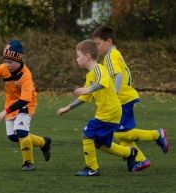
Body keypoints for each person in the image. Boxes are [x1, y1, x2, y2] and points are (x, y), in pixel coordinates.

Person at [91, 25, 169, 171]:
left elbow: (118, 75)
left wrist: (114, 95)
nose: (96, 47)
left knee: (122, 133)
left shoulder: (110, 56)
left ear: (108, 41)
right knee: (121, 135)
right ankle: (140, 159)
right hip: (125, 97)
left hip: (122, 99)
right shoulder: (115, 53)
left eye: (98, 43)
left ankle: (157, 134)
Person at [57, 39, 138, 176]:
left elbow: (102, 83)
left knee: (87, 133)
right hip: (107, 112)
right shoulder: (90, 75)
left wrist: (88, 89)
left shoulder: (99, 69)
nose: (76, 59)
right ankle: (130, 153)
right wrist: (68, 107)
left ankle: (92, 168)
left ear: (87, 57)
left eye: (78, 56)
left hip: (110, 111)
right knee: (101, 144)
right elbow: (85, 97)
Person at [0, 40, 51, 171]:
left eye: (10, 62)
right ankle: (44, 142)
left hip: (27, 102)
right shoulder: (3, 68)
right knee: (13, 136)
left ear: (19, 60)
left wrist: (5, 111)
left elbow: (25, 99)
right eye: (5, 61)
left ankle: (28, 163)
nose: (7, 65)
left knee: (21, 132)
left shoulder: (26, 75)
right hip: (11, 103)